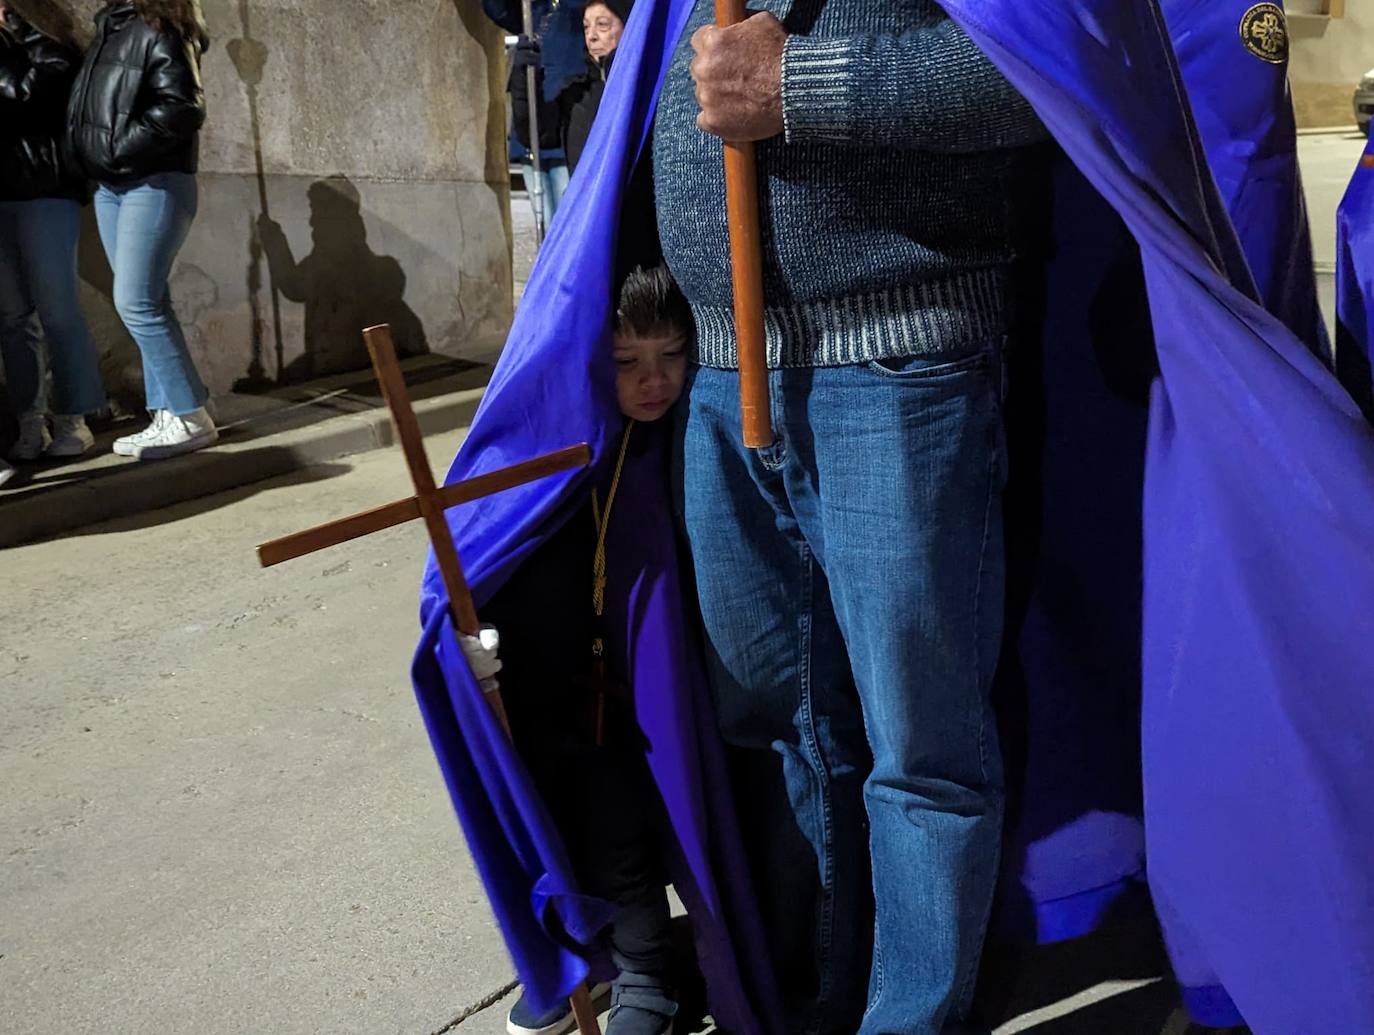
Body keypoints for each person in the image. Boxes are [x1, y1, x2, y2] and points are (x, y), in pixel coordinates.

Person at [654, 5, 1047, 1032]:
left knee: (920, 748)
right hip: (718, 371)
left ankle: (911, 1018)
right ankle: (812, 1001)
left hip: (897, 364)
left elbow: (1036, 70)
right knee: (776, 721)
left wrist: (805, 87)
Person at [466, 259, 690, 1035]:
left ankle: (647, 975)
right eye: (627, 362)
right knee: (550, 815)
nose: (652, 380)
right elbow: (491, 536)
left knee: (623, 833)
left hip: (648, 686)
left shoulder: (684, 445)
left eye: (671, 355)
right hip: (564, 676)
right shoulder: (565, 437)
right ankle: (574, 966)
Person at [66, 0, 215, 461]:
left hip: (154, 181)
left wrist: (117, 152)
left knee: (137, 301)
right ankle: (167, 414)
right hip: (115, 186)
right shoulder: (112, 26)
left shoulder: (161, 25)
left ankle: (192, 416)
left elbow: (183, 106)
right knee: (149, 301)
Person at [0, 0, 106, 461]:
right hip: (2, 194)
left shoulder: (51, 49)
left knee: (58, 309)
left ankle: (74, 419)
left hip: (44, 189)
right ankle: (30, 420)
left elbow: (32, 91)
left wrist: (17, 26)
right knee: (13, 319)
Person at [483, 0, 586, 229]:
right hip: (534, 116)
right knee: (547, 223)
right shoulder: (532, 8)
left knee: (570, 222)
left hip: (568, 117)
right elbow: (497, 9)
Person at [557, 0, 632, 174]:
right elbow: (541, 135)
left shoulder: (644, 87)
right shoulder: (579, 91)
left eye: (602, 25)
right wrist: (524, 77)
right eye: (586, 27)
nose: (592, 36)